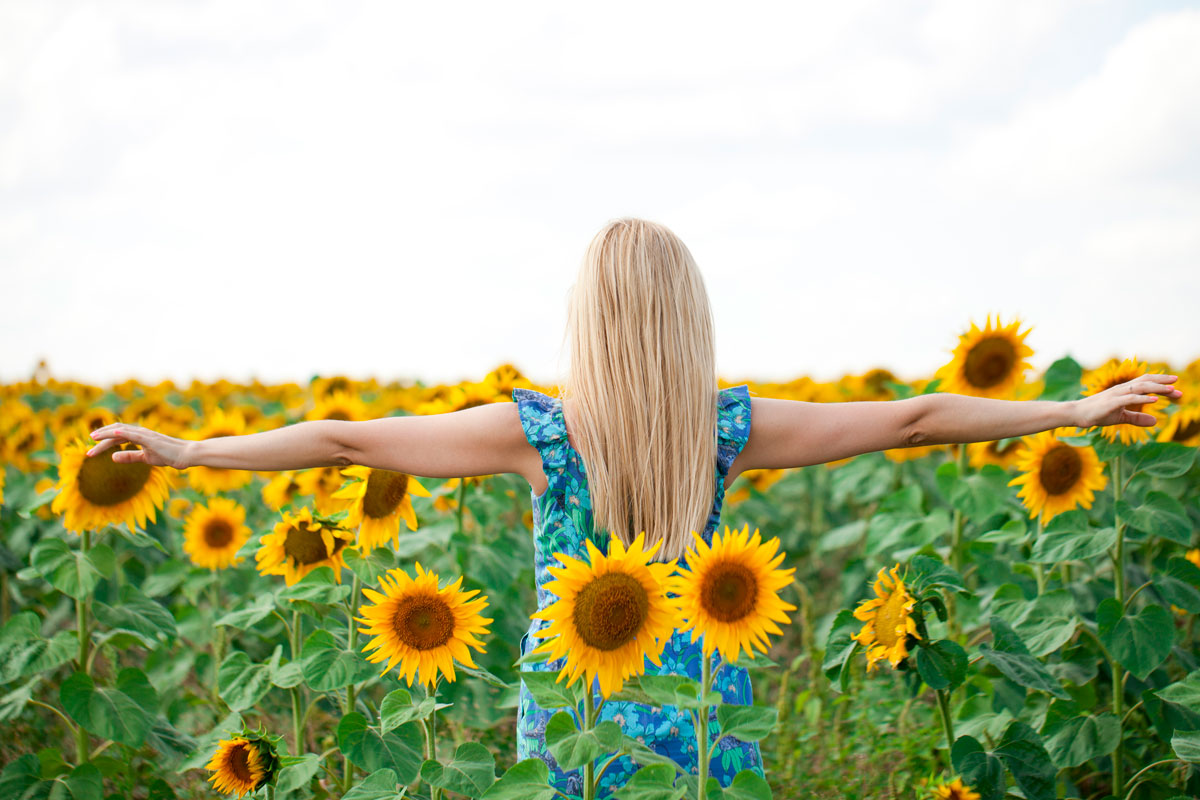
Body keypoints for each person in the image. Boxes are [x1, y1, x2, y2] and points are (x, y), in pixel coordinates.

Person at [85, 217, 1183, 796]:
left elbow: (344, 438)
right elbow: (908, 417)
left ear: (590, 321)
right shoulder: (727, 425)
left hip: (571, 709)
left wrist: (185, 450)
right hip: (706, 706)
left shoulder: (539, 431)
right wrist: (1076, 407)